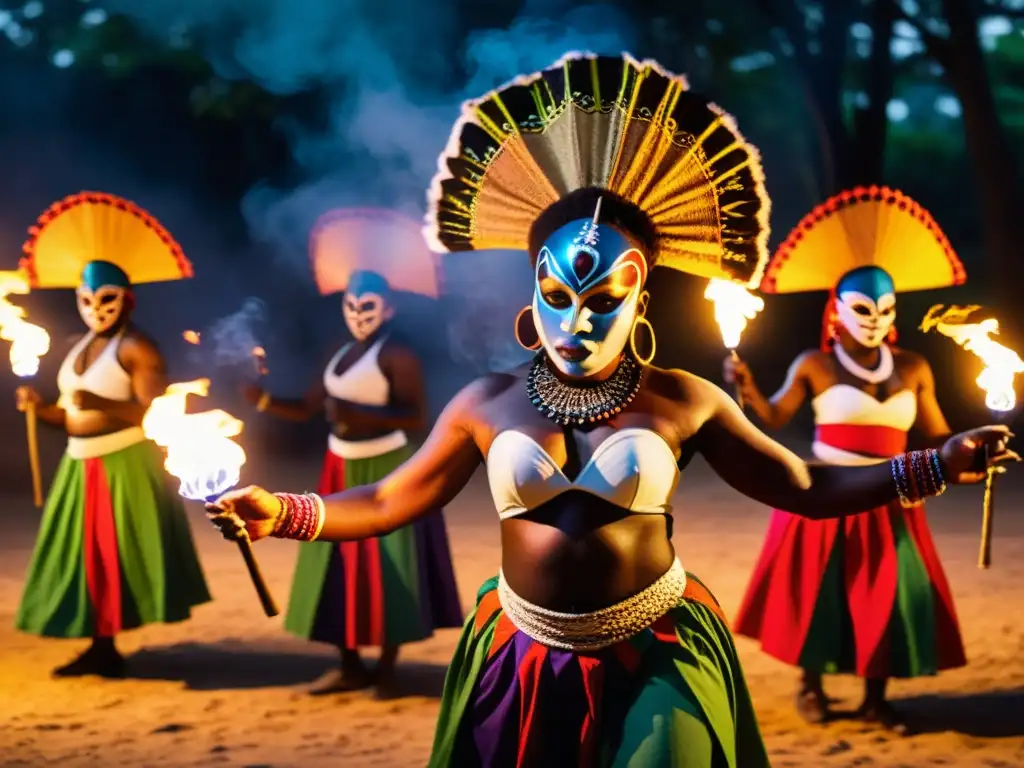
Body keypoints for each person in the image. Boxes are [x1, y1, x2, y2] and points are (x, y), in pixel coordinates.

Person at [208, 56, 1016, 766]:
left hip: (657, 648)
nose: (577, 322)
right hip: (520, 651)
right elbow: (388, 498)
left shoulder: (684, 400)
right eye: (557, 297)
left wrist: (936, 462)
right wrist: (277, 510)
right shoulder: (485, 403)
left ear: (640, 301)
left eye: (603, 301)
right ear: (531, 295)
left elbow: (803, 485)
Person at [724, 186, 974, 732]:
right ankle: (810, 688)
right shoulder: (815, 362)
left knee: (884, 595)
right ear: (836, 310)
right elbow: (770, 416)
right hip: (824, 492)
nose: (875, 318)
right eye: (862, 308)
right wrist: (743, 387)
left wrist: (974, 450)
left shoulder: (914, 367)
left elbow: (940, 436)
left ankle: (875, 697)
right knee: (819, 594)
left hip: (894, 495)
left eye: (885, 308)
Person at [242, 208, 462, 697]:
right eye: (350, 306)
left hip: (387, 465)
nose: (358, 315)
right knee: (334, 563)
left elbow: (414, 417)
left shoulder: (398, 356)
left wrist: (361, 415)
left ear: (389, 309)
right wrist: (260, 397)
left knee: (389, 565)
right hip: (339, 464)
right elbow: (307, 407)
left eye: (369, 307)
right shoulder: (337, 354)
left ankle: (385, 668)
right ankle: (348, 664)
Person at [14, 192, 210, 678]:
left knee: (116, 558)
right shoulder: (76, 347)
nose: (96, 308)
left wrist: (100, 404)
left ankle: (106, 646)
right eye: (86, 299)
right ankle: (99, 644)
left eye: (107, 299)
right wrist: (41, 411)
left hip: (124, 464)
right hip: (80, 465)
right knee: (84, 558)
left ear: (127, 299)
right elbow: (70, 413)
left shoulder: (138, 349)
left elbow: (158, 413)